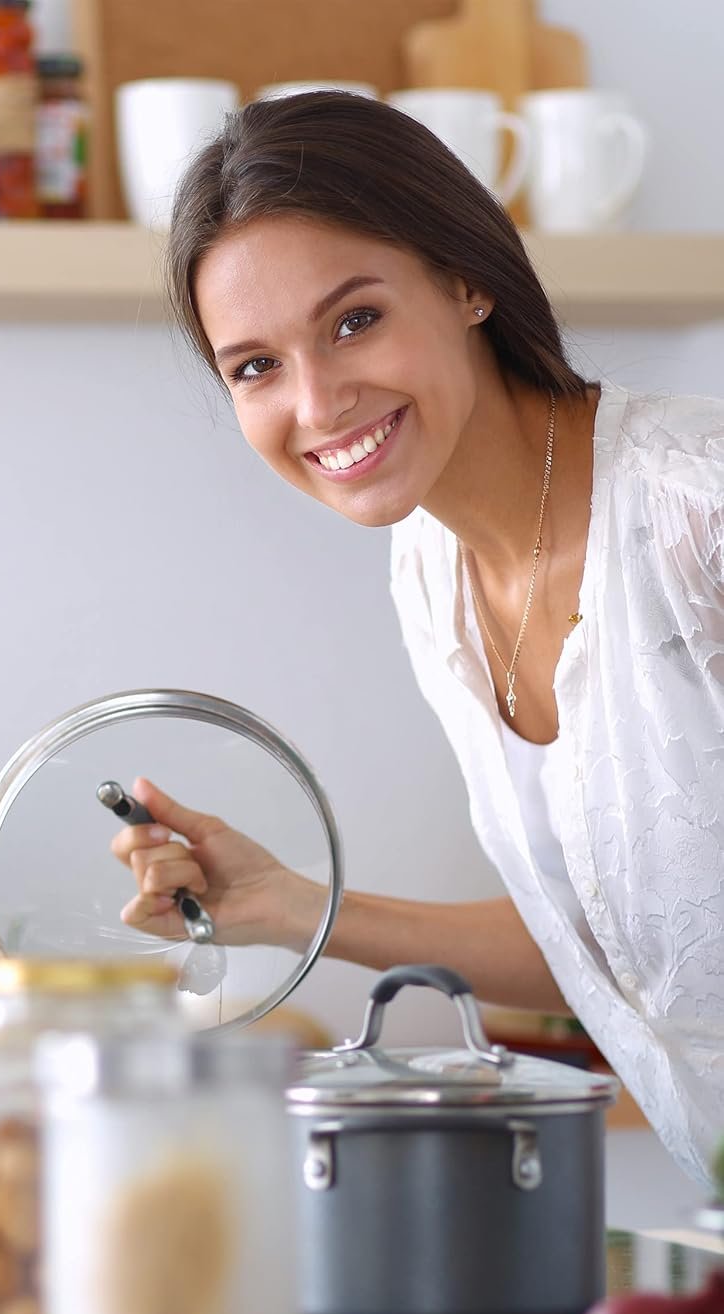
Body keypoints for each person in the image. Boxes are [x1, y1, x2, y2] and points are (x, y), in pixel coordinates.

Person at [111, 91, 724, 1186]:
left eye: (354, 320)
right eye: (255, 366)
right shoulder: (431, 575)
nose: (318, 403)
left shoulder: (698, 510)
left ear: (466, 279)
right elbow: (627, 952)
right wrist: (293, 909)